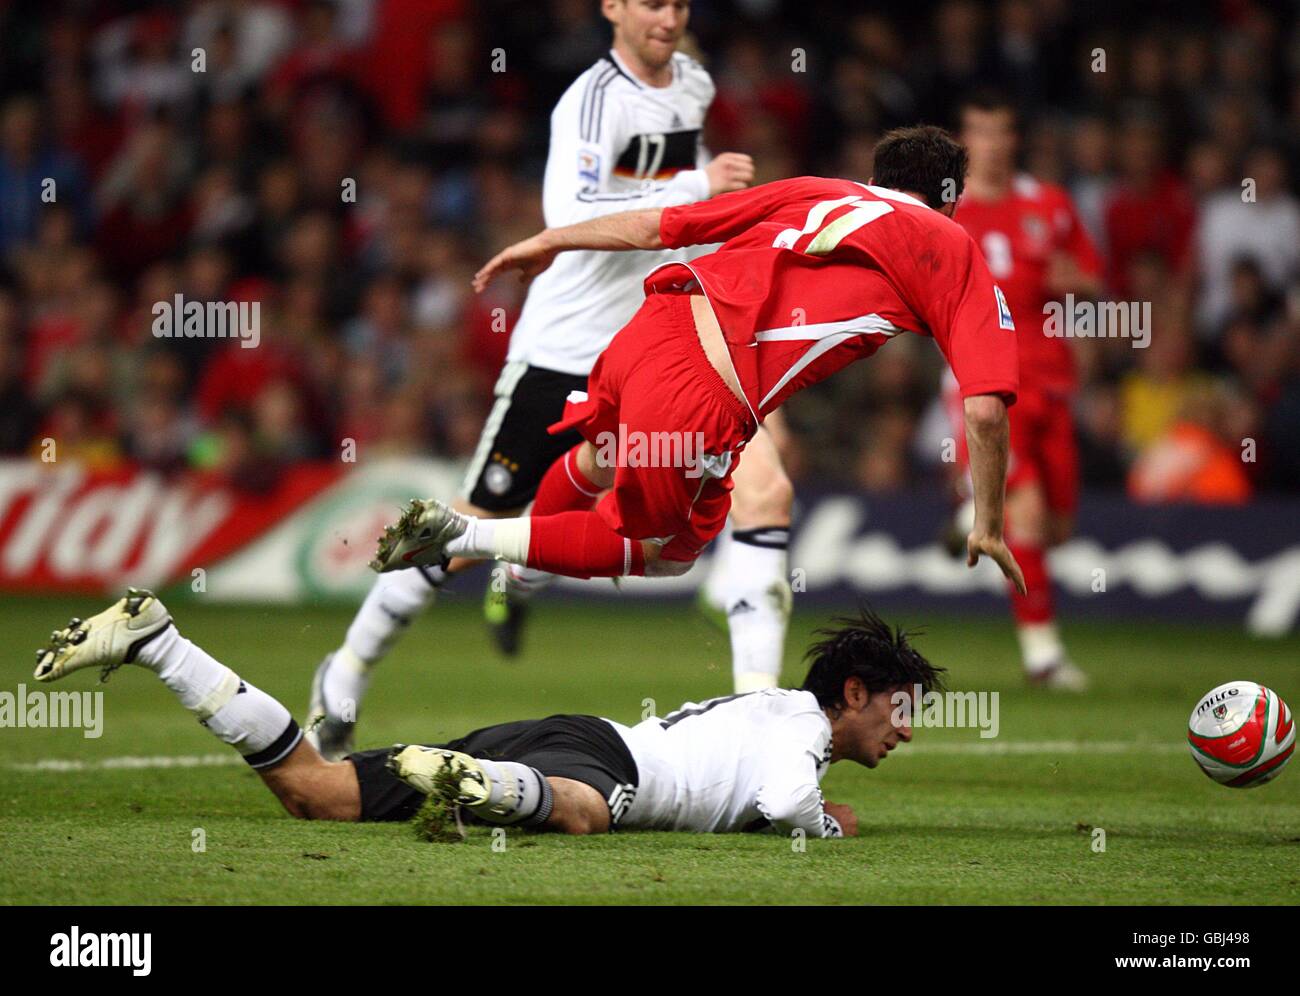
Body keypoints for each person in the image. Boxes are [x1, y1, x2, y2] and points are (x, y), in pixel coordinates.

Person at [307, 0, 795, 762]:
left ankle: (761, 731)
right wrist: (698, 186)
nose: (667, 17)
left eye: (678, 3)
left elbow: (672, 211)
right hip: (565, 348)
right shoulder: (589, 100)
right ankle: (343, 674)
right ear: (612, 7)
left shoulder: (693, 86)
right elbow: (569, 211)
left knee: (765, 492)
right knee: (465, 528)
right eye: (651, 2)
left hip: (660, 342)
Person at [373, 126, 1028, 601]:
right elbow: (984, 408)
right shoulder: (950, 243)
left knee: (608, 465)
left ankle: (526, 566)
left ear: (878, 179)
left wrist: (553, 239)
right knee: (663, 555)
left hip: (645, 330)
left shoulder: (814, 191)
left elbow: (664, 226)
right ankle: (466, 536)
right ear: (951, 199)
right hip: (701, 390)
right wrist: (990, 523)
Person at [33, 591, 942, 837]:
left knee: (313, 792)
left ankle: (159, 643)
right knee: (585, 817)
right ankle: (479, 787)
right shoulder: (803, 732)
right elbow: (786, 804)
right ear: (852, 695)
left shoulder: (780, 705)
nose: (904, 732)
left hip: (570, 740)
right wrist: (828, 827)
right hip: (603, 769)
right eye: (899, 711)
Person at [949, 92, 1103, 690]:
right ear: (964, 140)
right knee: (1030, 518)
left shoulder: (1051, 205)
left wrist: (1078, 283)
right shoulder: (948, 211)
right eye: (978, 131)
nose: (990, 144)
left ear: (1014, 139)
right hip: (986, 380)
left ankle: (971, 503)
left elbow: (1090, 277)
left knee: (1057, 527)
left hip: (1052, 383)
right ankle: (1043, 656)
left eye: (1000, 131)